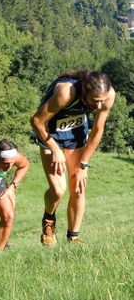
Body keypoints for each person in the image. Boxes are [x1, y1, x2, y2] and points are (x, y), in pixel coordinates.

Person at [30, 69, 115, 247]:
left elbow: (97, 131)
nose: (99, 106)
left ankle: (73, 237)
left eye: (102, 101)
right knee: (58, 190)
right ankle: (48, 221)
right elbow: (37, 121)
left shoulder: (108, 95)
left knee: (78, 187)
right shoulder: (66, 93)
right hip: (50, 136)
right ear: (84, 92)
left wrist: (83, 164)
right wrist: (55, 149)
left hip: (76, 138)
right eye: (95, 101)